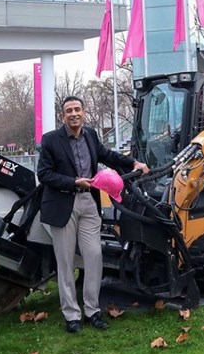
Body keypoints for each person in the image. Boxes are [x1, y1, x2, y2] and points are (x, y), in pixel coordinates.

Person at [37, 96, 149, 334]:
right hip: (62, 204)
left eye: (77, 109)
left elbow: (108, 155)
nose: (74, 113)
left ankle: (92, 310)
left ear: (84, 112)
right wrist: (73, 181)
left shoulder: (90, 134)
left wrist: (133, 163)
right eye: (69, 111)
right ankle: (71, 315)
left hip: (89, 203)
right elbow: (44, 174)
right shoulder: (50, 140)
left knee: (94, 256)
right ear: (63, 116)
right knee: (65, 262)